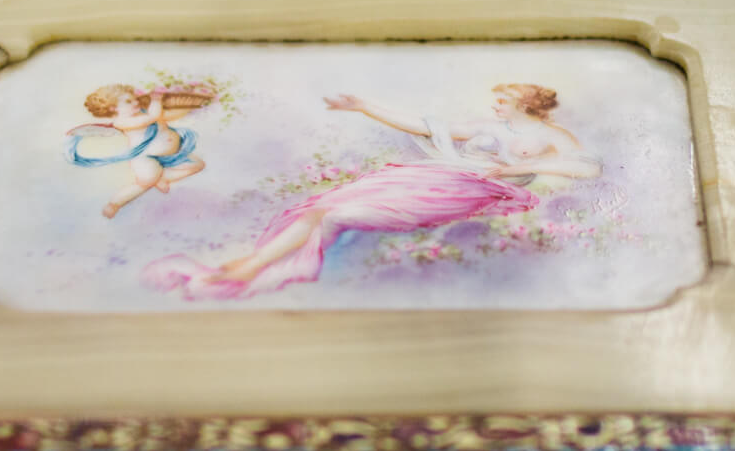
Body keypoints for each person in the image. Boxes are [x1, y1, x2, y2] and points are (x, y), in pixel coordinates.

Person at [143, 83, 600, 298]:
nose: (495, 104)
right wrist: (365, 106)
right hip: (434, 175)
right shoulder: (486, 126)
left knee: (339, 215)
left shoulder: (553, 136)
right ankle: (250, 266)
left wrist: (524, 166)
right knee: (322, 207)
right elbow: (420, 124)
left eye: (503, 99)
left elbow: (586, 166)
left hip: (472, 189)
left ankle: (255, 269)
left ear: (525, 103)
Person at [67, 84, 208, 217]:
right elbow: (152, 117)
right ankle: (115, 203)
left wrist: (187, 107)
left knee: (198, 165)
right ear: (113, 108)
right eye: (129, 101)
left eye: (135, 99)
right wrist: (156, 99)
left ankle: (163, 178)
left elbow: (164, 116)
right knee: (144, 182)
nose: (135, 103)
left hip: (171, 155)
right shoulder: (122, 122)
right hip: (146, 159)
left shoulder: (144, 111)